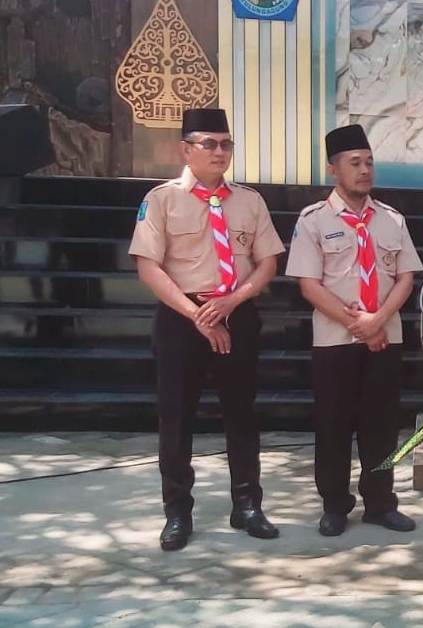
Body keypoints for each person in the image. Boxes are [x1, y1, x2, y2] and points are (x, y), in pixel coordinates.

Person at [129, 108, 285, 551]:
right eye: (209, 144)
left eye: (226, 144)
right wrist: (198, 315)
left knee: (242, 413)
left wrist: (232, 301)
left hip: (237, 311)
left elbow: (267, 261)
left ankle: (247, 505)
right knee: (176, 418)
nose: (220, 152)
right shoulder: (161, 199)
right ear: (185, 149)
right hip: (182, 317)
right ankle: (177, 512)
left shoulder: (249, 201)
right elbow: (148, 267)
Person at [285, 124, 423, 537]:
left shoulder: (392, 220)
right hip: (334, 342)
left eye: (368, 163)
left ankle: (381, 503)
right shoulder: (313, 220)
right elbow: (309, 284)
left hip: (386, 337)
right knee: (333, 425)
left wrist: (377, 320)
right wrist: (360, 325)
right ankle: (334, 505)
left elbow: (405, 278)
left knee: (381, 426)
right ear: (333, 169)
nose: (364, 171)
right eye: (354, 163)